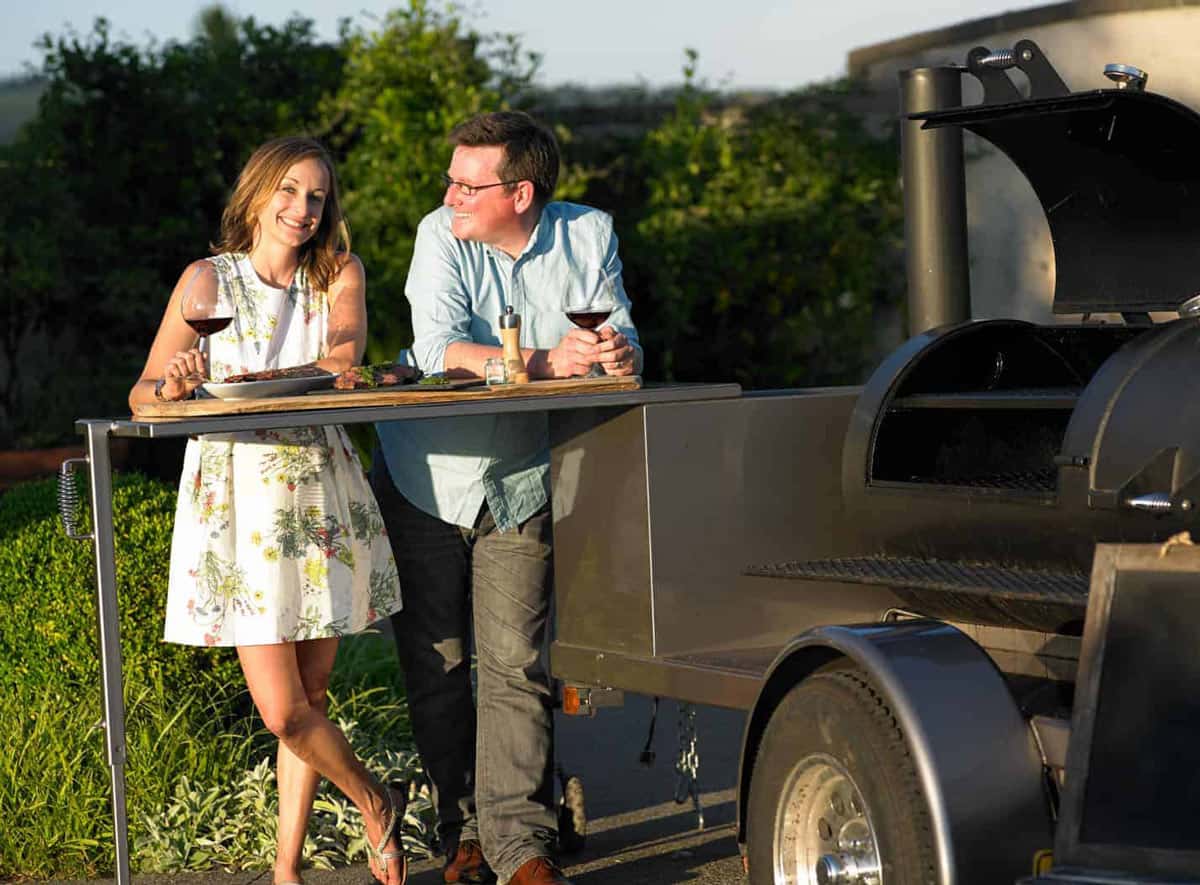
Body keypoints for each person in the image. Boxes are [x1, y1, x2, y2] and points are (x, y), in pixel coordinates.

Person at [369, 111, 641, 885]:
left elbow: (621, 339)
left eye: (467, 181)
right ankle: (462, 836)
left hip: (521, 477)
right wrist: (551, 364)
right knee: (441, 667)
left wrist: (619, 350)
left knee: (518, 664)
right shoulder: (439, 234)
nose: (449, 191)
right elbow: (438, 352)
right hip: (426, 477)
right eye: (451, 177)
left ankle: (521, 844)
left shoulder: (588, 233)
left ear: (521, 192)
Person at [129, 136, 407, 885]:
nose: (302, 209)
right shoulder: (206, 280)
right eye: (288, 191)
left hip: (317, 491)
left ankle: (285, 870)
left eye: (316, 196)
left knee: (313, 697)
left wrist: (254, 381)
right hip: (238, 503)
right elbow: (144, 392)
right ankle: (375, 800)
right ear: (256, 194)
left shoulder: (336, 273)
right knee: (284, 710)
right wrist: (179, 384)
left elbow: (343, 358)